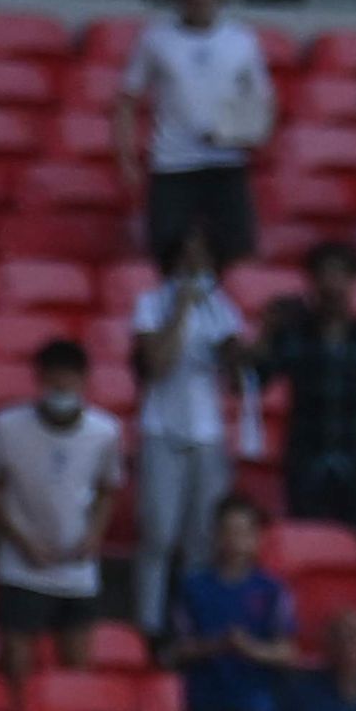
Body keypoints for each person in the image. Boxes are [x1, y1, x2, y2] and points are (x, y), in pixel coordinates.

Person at [114, 0, 274, 268]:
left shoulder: (241, 41)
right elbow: (127, 101)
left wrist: (247, 135)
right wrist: (126, 156)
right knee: (166, 252)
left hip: (226, 163)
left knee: (237, 252)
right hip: (173, 162)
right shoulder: (155, 40)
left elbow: (262, 99)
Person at [0, 340, 125, 675]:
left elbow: (108, 489)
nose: (60, 391)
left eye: (68, 384)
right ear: (40, 381)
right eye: (53, 384)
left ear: (83, 382)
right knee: (17, 665)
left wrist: (93, 535)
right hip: (21, 564)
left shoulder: (105, 432)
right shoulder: (6, 426)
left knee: (77, 666)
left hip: (76, 565)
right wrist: (21, 540)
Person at [256, 245, 356, 535]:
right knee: (307, 537)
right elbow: (259, 380)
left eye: (340, 276)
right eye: (325, 275)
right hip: (306, 452)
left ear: (353, 283)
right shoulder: (293, 335)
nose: (332, 285)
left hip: (354, 452)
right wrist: (266, 335)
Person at [127, 223, 247, 624]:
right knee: (158, 534)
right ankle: (150, 623)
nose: (196, 266)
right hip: (162, 428)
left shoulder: (223, 308)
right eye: (188, 257)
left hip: (207, 432)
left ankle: (190, 621)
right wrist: (180, 307)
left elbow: (236, 374)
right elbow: (156, 365)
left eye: (203, 258)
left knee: (202, 540)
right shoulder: (150, 304)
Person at [171, 495, 300, 711]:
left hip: (256, 705)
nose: (234, 540)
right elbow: (177, 651)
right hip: (205, 705)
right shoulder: (194, 587)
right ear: (215, 535)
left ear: (256, 537)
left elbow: (287, 652)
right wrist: (217, 645)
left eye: (243, 532)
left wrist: (250, 649)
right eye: (227, 531)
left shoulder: (271, 590)